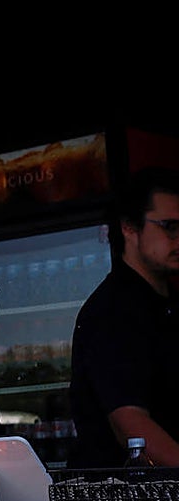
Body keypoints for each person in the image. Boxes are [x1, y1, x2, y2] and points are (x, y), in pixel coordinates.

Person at [69, 165, 179, 468]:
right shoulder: (111, 311)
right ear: (129, 227)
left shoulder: (167, 302)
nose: (178, 238)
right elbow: (130, 426)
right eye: (169, 226)